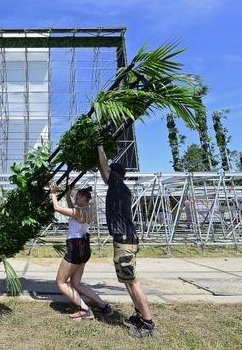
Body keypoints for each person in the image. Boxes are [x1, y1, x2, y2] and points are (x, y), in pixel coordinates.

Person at [97, 143, 157, 339]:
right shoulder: (121, 188)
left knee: (132, 281)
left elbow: (104, 168)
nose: (105, 175)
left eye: (109, 173)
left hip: (124, 240)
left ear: (114, 174)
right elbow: (105, 169)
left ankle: (148, 323)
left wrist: (100, 146)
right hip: (125, 239)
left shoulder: (116, 184)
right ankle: (140, 315)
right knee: (127, 281)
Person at [50, 182, 113, 320]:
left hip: (76, 248)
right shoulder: (86, 211)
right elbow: (72, 210)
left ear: (85, 198)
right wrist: (67, 196)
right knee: (76, 283)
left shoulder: (80, 212)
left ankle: (84, 309)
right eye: (76, 196)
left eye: (78, 197)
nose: (76, 199)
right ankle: (103, 305)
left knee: (61, 282)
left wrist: (53, 193)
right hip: (84, 247)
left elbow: (57, 208)